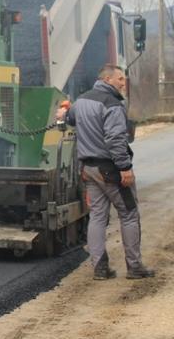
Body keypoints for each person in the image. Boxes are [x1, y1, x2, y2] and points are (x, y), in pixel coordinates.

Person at [57, 64, 155, 280]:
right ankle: (135, 267)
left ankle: (100, 269)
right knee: (129, 214)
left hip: (89, 169)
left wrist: (63, 112)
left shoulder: (81, 101)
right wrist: (125, 167)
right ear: (108, 79)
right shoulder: (113, 105)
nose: (123, 83)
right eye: (120, 79)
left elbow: (68, 118)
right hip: (110, 169)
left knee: (98, 216)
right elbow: (115, 139)